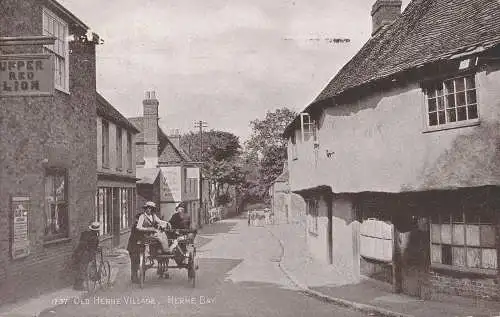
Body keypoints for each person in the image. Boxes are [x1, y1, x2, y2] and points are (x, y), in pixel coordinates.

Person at [72, 221, 100, 290]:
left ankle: (77, 284)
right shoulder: (95, 238)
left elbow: (82, 243)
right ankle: (78, 286)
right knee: (83, 269)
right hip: (85, 254)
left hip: (78, 252)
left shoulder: (85, 234)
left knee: (80, 268)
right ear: (97, 230)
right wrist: (92, 256)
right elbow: (93, 249)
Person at [126, 213, 143, 284]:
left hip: (135, 247)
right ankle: (134, 278)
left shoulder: (137, 225)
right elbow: (137, 236)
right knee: (134, 262)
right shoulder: (136, 226)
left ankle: (134, 277)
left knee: (136, 262)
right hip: (133, 247)